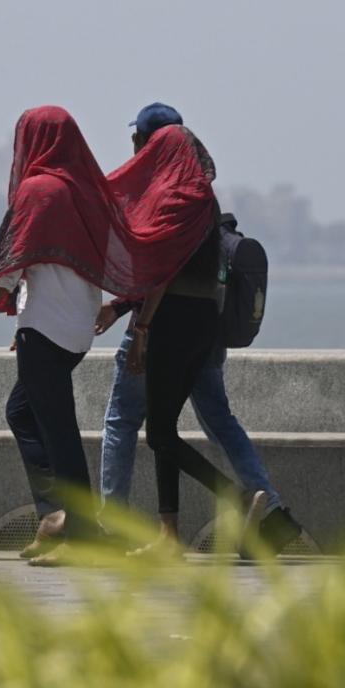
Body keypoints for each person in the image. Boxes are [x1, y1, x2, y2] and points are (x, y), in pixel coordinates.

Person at [0, 105, 215, 566]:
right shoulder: (83, 189)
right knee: (22, 412)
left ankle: (79, 533)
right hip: (76, 328)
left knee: (57, 429)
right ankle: (55, 515)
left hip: (46, 329)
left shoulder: (38, 190)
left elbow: (12, 265)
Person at [99, 103, 303, 557]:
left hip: (167, 323)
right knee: (187, 423)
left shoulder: (167, 196)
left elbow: (161, 269)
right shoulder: (202, 197)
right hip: (203, 325)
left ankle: (242, 502)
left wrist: (141, 327)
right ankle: (224, 523)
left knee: (141, 427)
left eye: (141, 140)